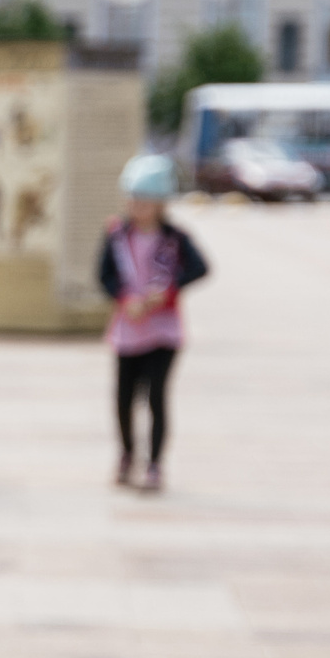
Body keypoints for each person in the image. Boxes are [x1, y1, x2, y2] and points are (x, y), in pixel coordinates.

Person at [97, 153, 209, 493]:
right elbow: (104, 276)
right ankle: (127, 454)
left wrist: (169, 291)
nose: (138, 207)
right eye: (133, 199)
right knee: (124, 398)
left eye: (145, 201)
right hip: (128, 328)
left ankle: (155, 464)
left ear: (161, 203)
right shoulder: (117, 236)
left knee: (156, 398)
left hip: (163, 332)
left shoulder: (175, 238)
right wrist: (124, 299)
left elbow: (200, 268)